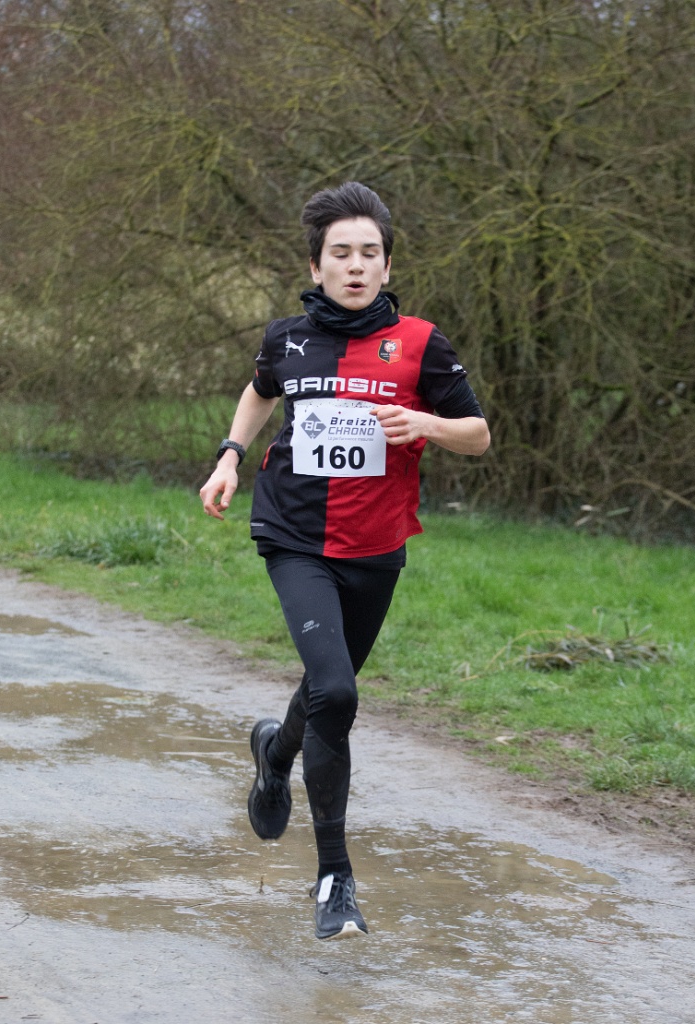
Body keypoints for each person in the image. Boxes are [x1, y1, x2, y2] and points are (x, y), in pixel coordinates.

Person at [199, 181, 490, 940]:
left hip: (376, 545)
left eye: (369, 253)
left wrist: (424, 423)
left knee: (329, 694)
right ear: (316, 265)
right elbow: (260, 391)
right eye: (341, 253)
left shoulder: (422, 344)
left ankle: (274, 752)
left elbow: (478, 435)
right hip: (294, 536)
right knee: (335, 689)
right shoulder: (287, 339)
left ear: (387, 266)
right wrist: (230, 456)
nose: (355, 266)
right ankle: (335, 879)